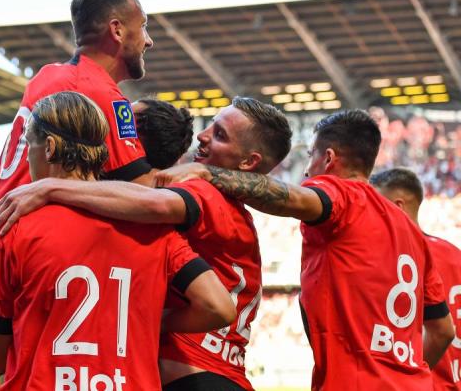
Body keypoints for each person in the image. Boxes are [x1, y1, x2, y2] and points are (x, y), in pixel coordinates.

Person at [0, 96, 292, 390]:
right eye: (211, 125)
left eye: (221, 134)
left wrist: (52, 187)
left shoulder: (192, 201)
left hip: (192, 373)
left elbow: (155, 204)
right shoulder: (220, 215)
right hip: (214, 372)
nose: (202, 135)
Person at [153, 109, 455, 390]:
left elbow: (291, 199)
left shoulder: (345, 195)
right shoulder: (414, 237)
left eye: (310, 156)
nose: (307, 170)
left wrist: (208, 174)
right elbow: (442, 330)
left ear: (328, 159)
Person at [0, 0, 156, 295]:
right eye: (143, 27)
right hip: (33, 257)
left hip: (1, 250)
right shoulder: (96, 91)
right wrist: (203, 174)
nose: (149, 40)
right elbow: (148, 194)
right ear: (116, 30)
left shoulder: (49, 75)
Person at [370, 168, 461, 390]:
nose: (368, 216)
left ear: (398, 207)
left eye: (375, 207)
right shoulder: (455, 255)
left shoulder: (397, 261)